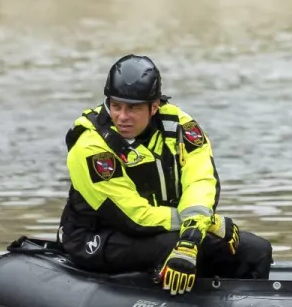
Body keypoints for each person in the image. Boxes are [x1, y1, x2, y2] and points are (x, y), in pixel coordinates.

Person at [59, 55, 272, 294]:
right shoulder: (90, 145)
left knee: (256, 250)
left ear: (154, 106)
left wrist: (193, 231)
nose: (122, 116)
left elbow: (200, 181)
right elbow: (132, 216)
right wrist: (205, 224)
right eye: (116, 106)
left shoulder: (181, 127)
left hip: (164, 228)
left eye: (133, 108)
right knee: (177, 247)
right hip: (99, 236)